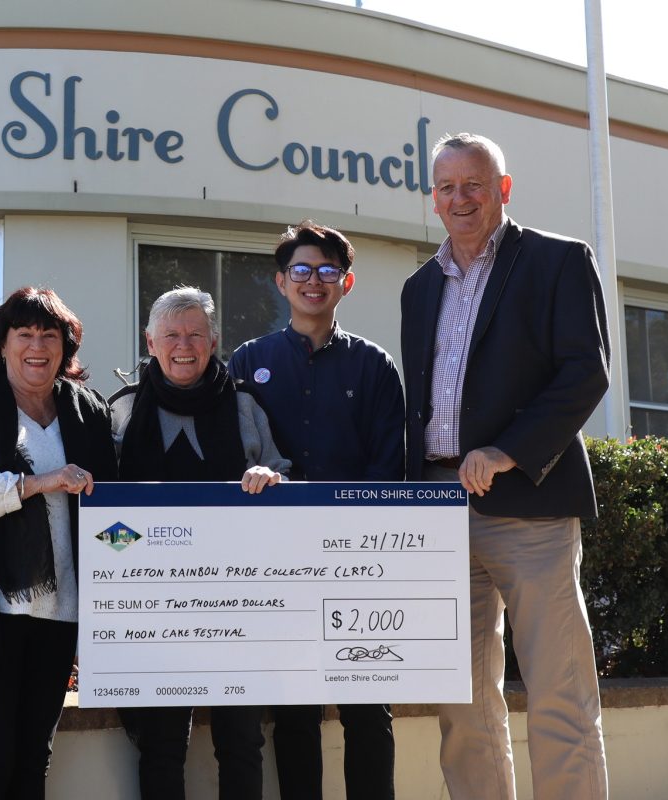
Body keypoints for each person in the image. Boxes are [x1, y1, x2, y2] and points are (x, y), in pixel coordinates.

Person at [400, 133, 610, 800]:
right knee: (461, 705)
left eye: (474, 185)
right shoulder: (417, 286)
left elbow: (585, 374)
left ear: (503, 189)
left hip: (532, 506)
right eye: (446, 187)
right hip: (438, 511)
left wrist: (507, 450)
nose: (460, 198)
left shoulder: (557, 261)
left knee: (559, 696)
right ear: (432, 198)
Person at [230, 220, 404, 799]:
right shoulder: (246, 361)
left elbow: (388, 467)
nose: (313, 281)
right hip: (275, 564)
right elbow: (236, 456)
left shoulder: (375, 366)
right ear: (281, 282)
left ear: (345, 283)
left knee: (366, 711)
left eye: (327, 271)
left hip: (357, 562)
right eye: (301, 270)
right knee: (295, 713)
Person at [0, 287, 118, 799]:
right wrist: (35, 483)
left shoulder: (90, 412)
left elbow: (115, 506)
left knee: (34, 758)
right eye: (24, 334)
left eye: (49, 335)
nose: (37, 346)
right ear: (3, 345)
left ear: (65, 347)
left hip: (62, 611)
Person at [112, 286, 291, 800]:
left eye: (195, 334)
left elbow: (284, 485)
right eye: (171, 334)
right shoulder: (120, 411)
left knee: (241, 741)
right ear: (150, 341)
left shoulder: (245, 408)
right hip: (151, 607)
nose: (183, 344)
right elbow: (101, 511)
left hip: (239, 604)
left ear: (214, 342)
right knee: (162, 745)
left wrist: (269, 480)